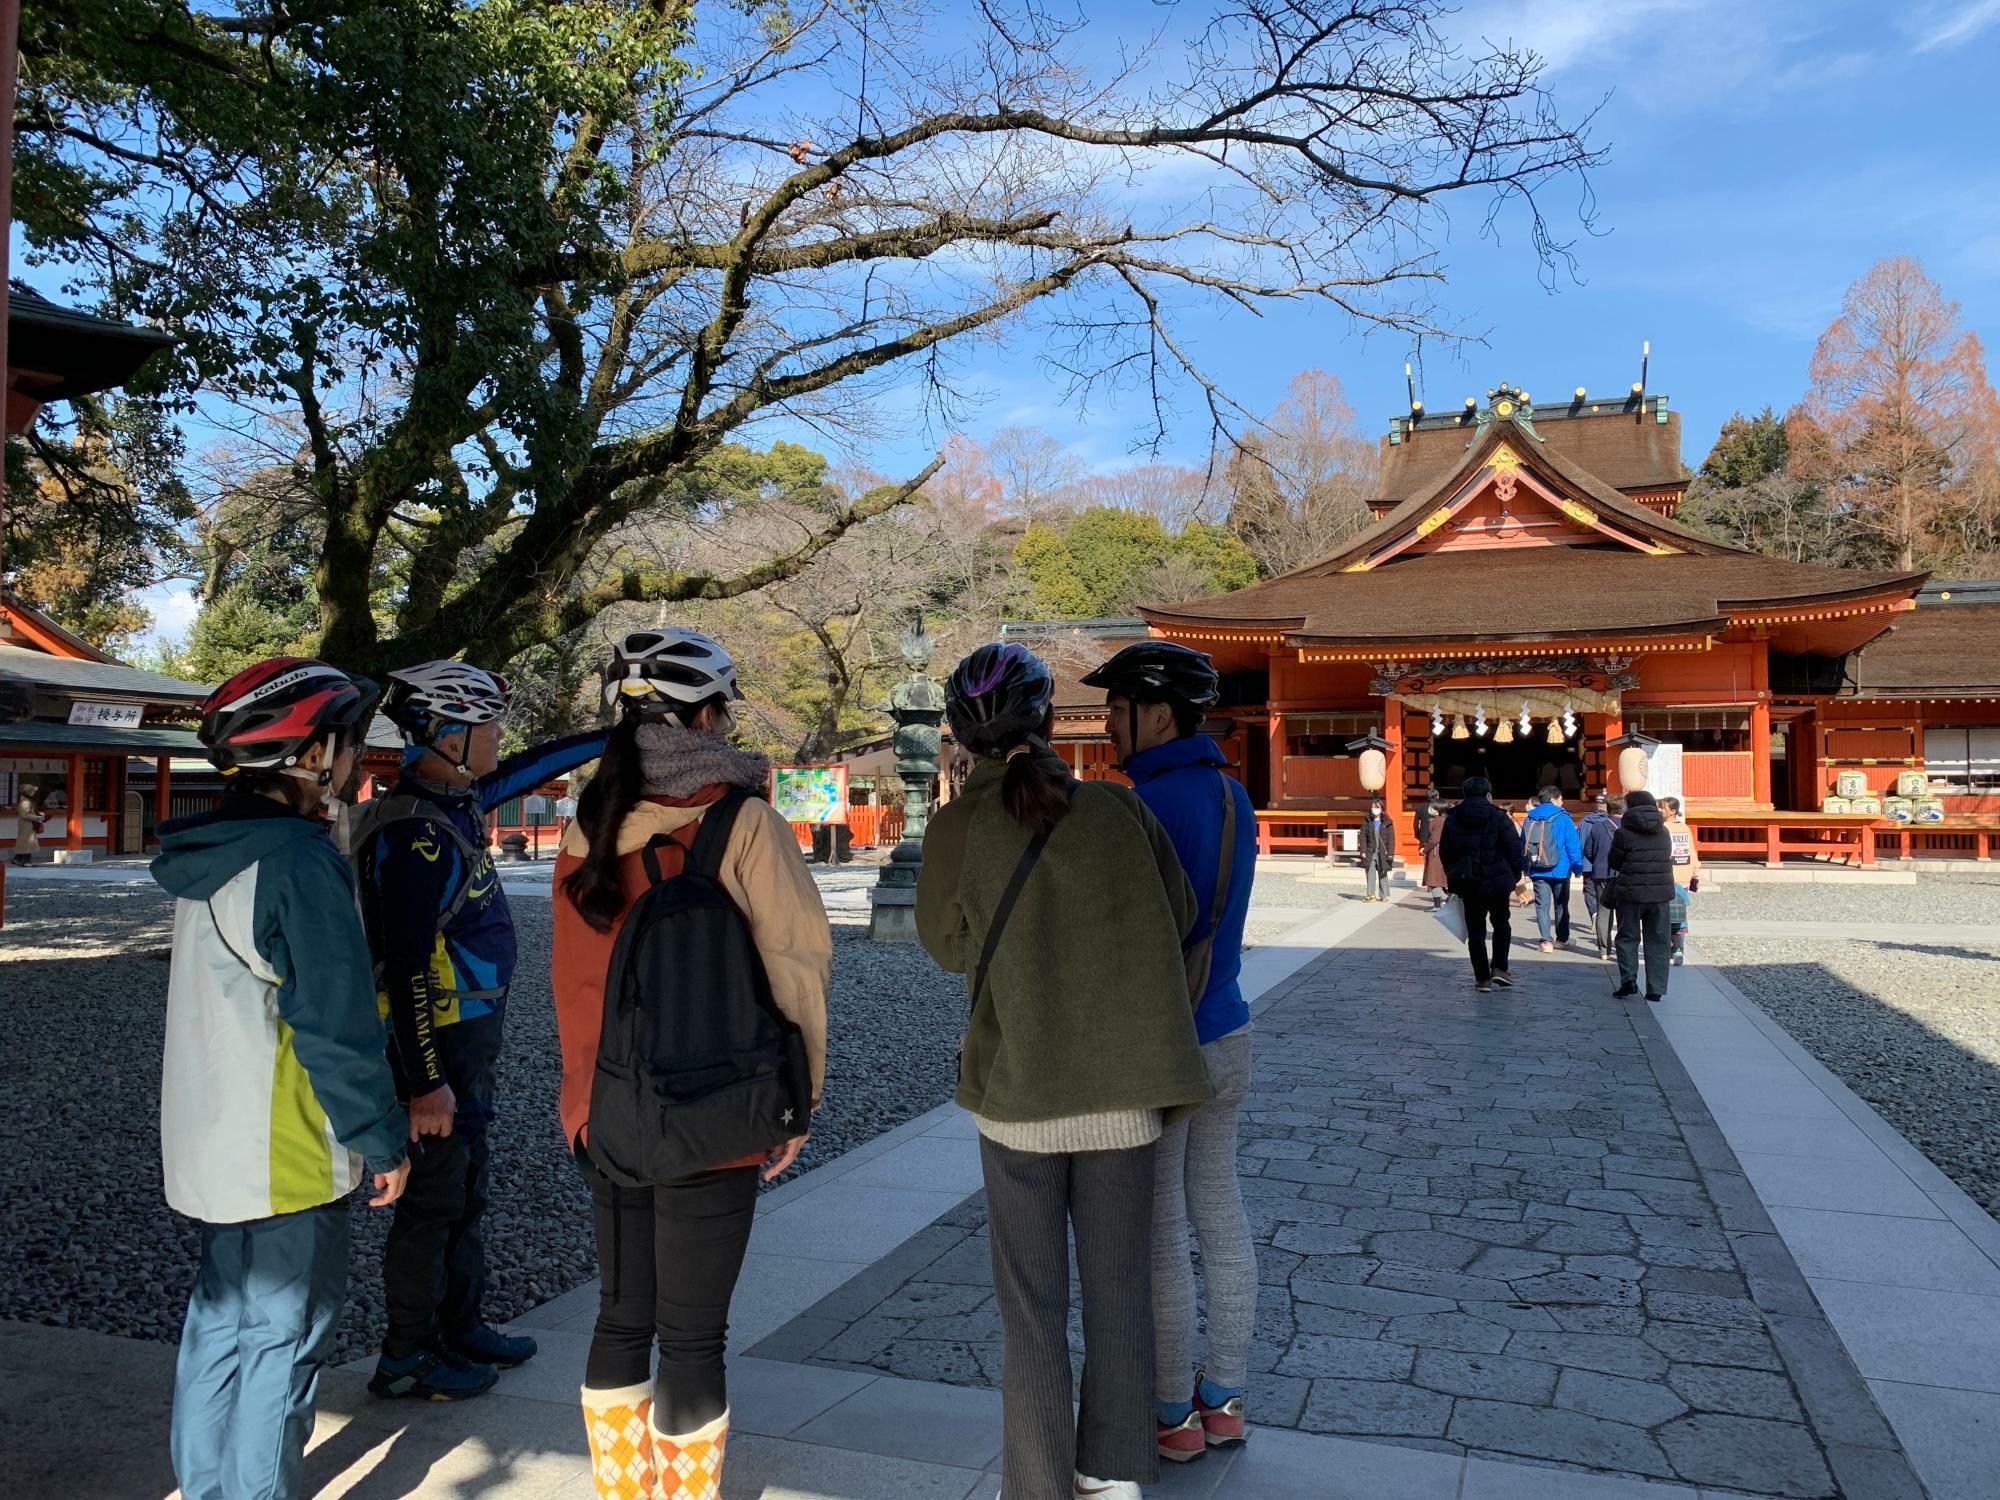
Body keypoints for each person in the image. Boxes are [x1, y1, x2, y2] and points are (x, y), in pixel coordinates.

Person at [918, 642, 1212, 1500]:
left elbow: (945, 947)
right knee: (1120, 1296)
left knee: (1032, 1313)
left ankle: (1038, 1483)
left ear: (958, 737)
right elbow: (1182, 914)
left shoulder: (955, 828)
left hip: (1019, 1096)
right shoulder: (1119, 813)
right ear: (1051, 722)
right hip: (1123, 1095)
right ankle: (1116, 1473)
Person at [552, 629, 830, 1500]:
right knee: (695, 1337)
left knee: (621, 1319)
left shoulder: (582, 827)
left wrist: (580, 1102)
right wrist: (798, 1100)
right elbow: (797, 966)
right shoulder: (744, 821)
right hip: (715, 1112)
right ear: (707, 715)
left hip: (604, 1111)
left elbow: (573, 982)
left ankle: (625, 1493)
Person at [153, 658, 410, 1500]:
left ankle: (205, 1488)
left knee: (218, 1326)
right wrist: (380, 1137)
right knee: (285, 1340)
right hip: (284, 1147)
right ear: (314, 753)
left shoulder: (210, 852)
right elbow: (336, 1024)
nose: (352, 762)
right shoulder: (299, 863)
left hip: (211, 1138)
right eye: (347, 744)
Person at [358, 661, 608, 1399]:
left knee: (465, 1185)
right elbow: (403, 968)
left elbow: (533, 766)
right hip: (433, 1041)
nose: (501, 736)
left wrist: (614, 735)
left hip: (469, 1033)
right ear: (447, 735)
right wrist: (426, 1083)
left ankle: (460, 1324)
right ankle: (407, 1355)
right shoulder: (414, 834)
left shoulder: (454, 799)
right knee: (432, 1197)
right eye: (488, 725)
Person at [1080, 641, 1259, 1465]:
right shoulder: (1233, 796)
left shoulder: (1135, 807)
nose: (1108, 725)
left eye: (1116, 709)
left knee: (1159, 1232)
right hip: (1227, 1026)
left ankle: (1169, 1411)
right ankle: (1224, 1398)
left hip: (1162, 1045)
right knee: (1220, 1214)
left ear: (1156, 712)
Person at [1439, 776, 1526, 993]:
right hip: (1497, 881)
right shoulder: (1499, 817)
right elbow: (1514, 849)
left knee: (1476, 931)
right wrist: (1514, 876)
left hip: (1468, 882)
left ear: (1465, 794)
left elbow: (1446, 852)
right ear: (1488, 795)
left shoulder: (1453, 818)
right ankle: (1500, 968)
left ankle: (1482, 978)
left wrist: (1452, 878)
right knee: (1501, 924)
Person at [1610, 790, 1676, 1001]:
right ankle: (1656, 989)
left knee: (1628, 937)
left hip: (1630, 893)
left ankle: (1628, 980)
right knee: (1658, 940)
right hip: (1660, 893)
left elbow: (1614, 862)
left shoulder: (1623, 833)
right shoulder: (1663, 831)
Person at [1522, 787, 1585, 952]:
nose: (1562, 802)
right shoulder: (1564, 818)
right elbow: (1573, 846)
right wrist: (1578, 867)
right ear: (1554, 799)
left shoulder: (1530, 818)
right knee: (1561, 904)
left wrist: (1526, 868)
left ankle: (1546, 942)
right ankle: (1562, 938)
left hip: (1537, 868)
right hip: (1561, 869)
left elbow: (1524, 845)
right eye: (1561, 799)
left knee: (1542, 906)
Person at [1659, 795, 1702, 965]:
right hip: (1683, 875)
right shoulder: (1685, 828)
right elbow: (1692, 852)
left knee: (1666, 914)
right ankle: (1679, 948)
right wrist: (1695, 874)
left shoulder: (1663, 829)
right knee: (1679, 912)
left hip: (1668, 876)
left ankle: (1671, 947)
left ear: (1673, 811)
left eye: (1662, 808)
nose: (1660, 810)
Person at [1578, 793, 1621, 961]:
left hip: (1601, 872)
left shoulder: (1597, 827)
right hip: (1622, 874)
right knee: (1623, 913)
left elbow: (1588, 851)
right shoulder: (1628, 827)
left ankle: (1604, 949)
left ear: (1608, 809)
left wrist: (1598, 860)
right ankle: (1622, 946)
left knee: (1603, 911)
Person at [1357, 796, 1397, 902]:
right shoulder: (1367, 821)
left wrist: (1390, 853)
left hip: (1383, 852)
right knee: (1370, 872)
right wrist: (1363, 851)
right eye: (1373, 807)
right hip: (1370, 851)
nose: (1375, 809)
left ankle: (1383, 895)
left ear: (1381, 808)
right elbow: (1363, 837)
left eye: (1377, 807)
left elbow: (1391, 839)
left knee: (1382, 872)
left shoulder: (1387, 822)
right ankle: (1370, 894)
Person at [1420, 794, 1451, 909]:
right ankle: (1447, 899)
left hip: (1436, 853)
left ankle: (1439, 904)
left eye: (1433, 807)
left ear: (1438, 809)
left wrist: (1425, 849)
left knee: (1435, 880)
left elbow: (1434, 839)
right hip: (1440, 852)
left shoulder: (1438, 821)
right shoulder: (1442, 820)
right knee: (1440, 880)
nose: (1430, 809)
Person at [10, 788, 42, 865]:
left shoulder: (24, 801)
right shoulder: (25, 803)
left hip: (26, 825)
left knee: (23, 843)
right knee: (27, 843)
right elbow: (26, 815)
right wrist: (37, 817)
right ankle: (26, 861)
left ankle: (17, 859)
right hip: (27, 825)